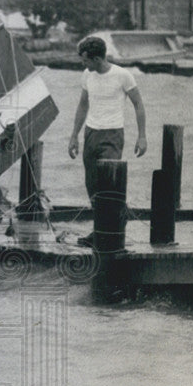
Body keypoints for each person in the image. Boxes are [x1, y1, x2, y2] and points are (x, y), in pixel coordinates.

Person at [68, 36, 147, 247]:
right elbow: (83, 105)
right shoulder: (87, 75)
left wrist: (142, 136)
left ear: (96, 58)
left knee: (109, 186)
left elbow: (138, 105)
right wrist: (74, 135)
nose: (83, 64)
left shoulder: (123, 75)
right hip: (91, 134)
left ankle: (113, 229)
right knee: (92, 186)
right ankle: (99, 231)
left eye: (85, 60)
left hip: (112, 135)